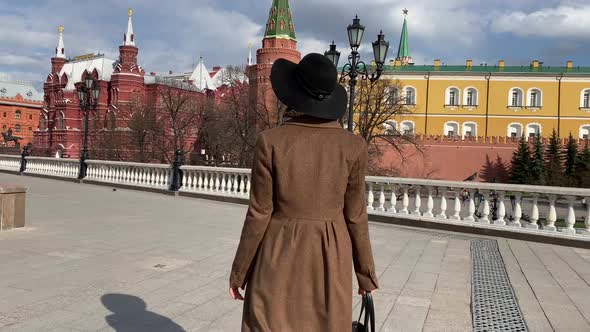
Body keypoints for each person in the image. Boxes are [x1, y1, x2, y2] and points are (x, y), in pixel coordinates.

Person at [229, 53, 379, 331]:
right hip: (331, 255)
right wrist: (365, 276)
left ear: (293, 95)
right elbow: (356, 215)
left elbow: (259, 213)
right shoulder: (354, 146)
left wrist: (240, 273)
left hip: (277, 251)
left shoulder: (270, 142)